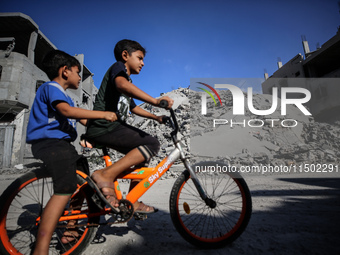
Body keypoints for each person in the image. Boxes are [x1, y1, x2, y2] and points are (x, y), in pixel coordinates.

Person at [26, 50, 117, 255]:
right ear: (65, 71)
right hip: (49, 144)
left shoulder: (68, 98)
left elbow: (83, 120)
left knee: (82, 178)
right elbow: (68, 113)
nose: (79, 76)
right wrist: (102, 113)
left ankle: (72, 225)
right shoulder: (51, 88)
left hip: (63, 145)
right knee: (65, 188)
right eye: (77, 72)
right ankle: (40, 249)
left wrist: (105, 128)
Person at [84, 39, 174, 213]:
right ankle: (105, 175)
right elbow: (121, 85)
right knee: (152, 144)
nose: (143, 63)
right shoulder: (118, 69)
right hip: (104, 126)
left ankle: (134, 200)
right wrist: (155, 101)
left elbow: (133, 107)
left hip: (111, 127)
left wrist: (156, 117)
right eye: (139, 58)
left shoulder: (126, 81)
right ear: (125, 55)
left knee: (144, 155)